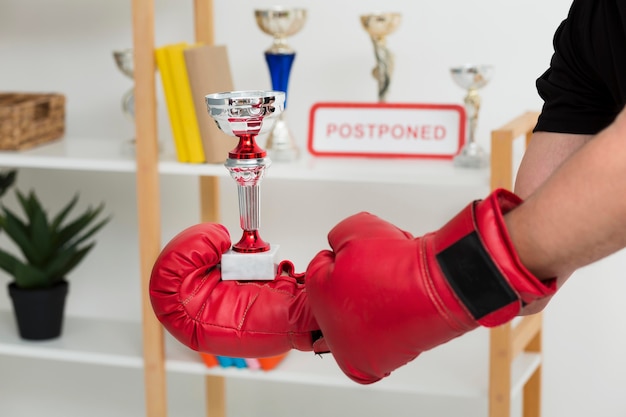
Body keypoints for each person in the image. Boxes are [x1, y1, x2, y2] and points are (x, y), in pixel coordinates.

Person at [149, 0, 626, 385]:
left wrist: (421, 282)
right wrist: (310, 310)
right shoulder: (592, 22)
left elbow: (526, 245)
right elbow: (535, 259)